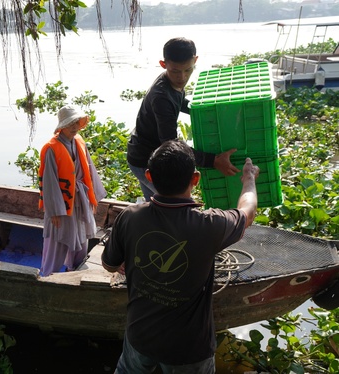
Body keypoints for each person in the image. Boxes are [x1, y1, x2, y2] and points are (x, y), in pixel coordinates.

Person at [102, 139, 259, 374]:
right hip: (188, 349)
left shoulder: (129, 217)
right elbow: (247, 213)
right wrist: (248, 179)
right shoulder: (210, 225)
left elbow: (108, 264)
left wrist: (125, 263)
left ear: (149, 176)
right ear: (195, 179)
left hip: (140, 335)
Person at [127, 37, 239, 201]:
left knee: (157, 208)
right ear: (163, 64)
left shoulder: (171, 82)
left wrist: (200, 111)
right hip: (144, 160)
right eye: (175, 71)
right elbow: (171, 145)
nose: (182, 77)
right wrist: (213, 161)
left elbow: (177, 102)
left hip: (146, 153)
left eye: (188, 70)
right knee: (175, 203)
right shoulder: (161, 97)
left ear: (195, 60)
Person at [38, 105, 107, 276]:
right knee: (57, 239)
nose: (75, 127)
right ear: (62, 125)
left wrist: (93, 198)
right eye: (71, 123)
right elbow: (49, 181)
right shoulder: (51, 148)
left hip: (80, 199)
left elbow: (89, 172)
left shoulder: (79, 142)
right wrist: (54, 211)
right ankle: (47, 274)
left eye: (77, 122)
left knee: (81, 237)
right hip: (60, 204)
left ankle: (74, 270)